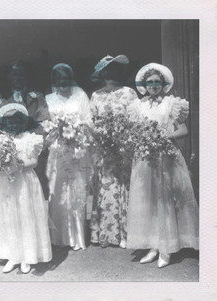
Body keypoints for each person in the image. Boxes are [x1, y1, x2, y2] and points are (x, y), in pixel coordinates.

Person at [126, 63, 199, 268]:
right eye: (150, 83)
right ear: (144, 85)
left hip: (167, 156)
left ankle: (166, 247)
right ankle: (153, 245)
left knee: (166, 200)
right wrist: (142, 138)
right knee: (148, 200)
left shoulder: (171, 103)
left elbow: (183, 130)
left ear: (164, 83)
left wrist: (163, 136)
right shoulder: (138, 105)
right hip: (145, 158)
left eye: (157, 82)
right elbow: (134, 131)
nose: (154, 86)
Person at [0, 104, 52, 274]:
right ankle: (12, 254)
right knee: (8, 216)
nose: (12, 125)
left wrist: (16, 165)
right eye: (8, 122)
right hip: (5, 183)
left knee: (24, 215)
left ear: (23, 122)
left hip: (24, 182)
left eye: (16, 121)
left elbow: (34, 162)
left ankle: (27, 256)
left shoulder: (29, 139)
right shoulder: (0, 141)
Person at [89, 55, 138, 248]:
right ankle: (107, 234)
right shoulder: (96, 95)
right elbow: (92, 121)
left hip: (124, 147)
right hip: (104, 149)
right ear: (102, 73)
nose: (111, 72)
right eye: (107, 69)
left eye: (115, 68)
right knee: (106, 186)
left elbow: (135, 119)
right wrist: (100, 134)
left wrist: (123, 134)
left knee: (124, 185)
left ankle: (126, 233)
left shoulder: (129, 93)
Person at [45, 63, 92, 251]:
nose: (62, 82)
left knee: (77, 190)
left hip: (76, 149)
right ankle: (59, 237)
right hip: (57, 150)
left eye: (65, 78)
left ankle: (77, 238)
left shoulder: (80, 96)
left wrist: (78, 129)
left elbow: (89, 119)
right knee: (57, 190)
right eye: (58, 79)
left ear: (70, 79)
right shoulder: (48, 98)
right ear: (54, 81)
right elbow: (45, 124)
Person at [0, 60, 50, 199]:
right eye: (14, 75)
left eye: (22, 75)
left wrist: (27, 140)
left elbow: (43, 122)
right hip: (8, 149)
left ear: (27, 77)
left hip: (29, 149)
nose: (18, 78)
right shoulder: (0, 99)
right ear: (9, 77)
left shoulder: (37, 97)